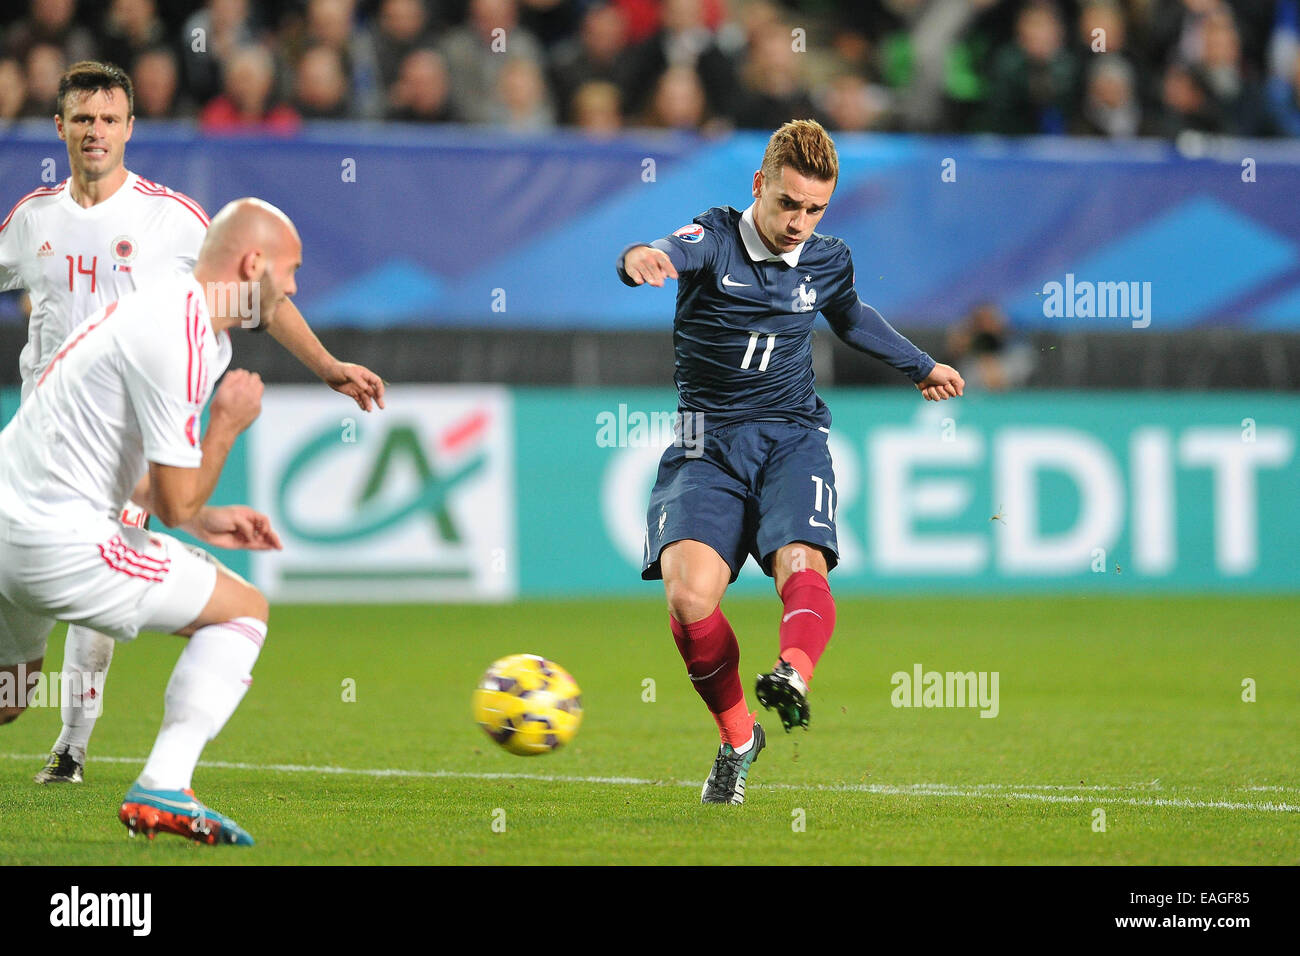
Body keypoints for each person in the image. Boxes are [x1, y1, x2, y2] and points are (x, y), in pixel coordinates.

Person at [0, 60, 386, 787]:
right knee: (14, 690)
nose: (96, 132)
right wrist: (223, 439)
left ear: (129, 129)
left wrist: (328, 365)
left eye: (110, 119)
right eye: (83, 119)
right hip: (46, 445)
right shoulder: (32, 222)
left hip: (111, 456)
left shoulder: (170, 220)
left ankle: (73, 746)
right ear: (60, 127)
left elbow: (261, 295)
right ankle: (151, 780)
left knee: (86, 613)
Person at [617, 119, 963, 805]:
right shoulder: (714, 239)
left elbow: (851, 316)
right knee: (689, 601)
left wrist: (920, 365)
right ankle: (740, 736)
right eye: (788, 203)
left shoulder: (828, 258)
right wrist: (639, 260)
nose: (799, 221)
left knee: (799, 563)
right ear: (759, 186)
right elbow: (663, 250)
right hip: (705, 440)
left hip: (791, 436)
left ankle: (793, 672)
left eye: (815, 208)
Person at [0, 197, 302, 844]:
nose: (295, 287)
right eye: (291, 270)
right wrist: (226, 424)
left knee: (7, 699)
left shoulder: (165, 310)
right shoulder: (185, 338)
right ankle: (165, 784)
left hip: (8, 521)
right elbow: (176, 504)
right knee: (244, 609)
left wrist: (204, 518)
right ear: (254, 265)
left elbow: (154, 489)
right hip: (56, 541)